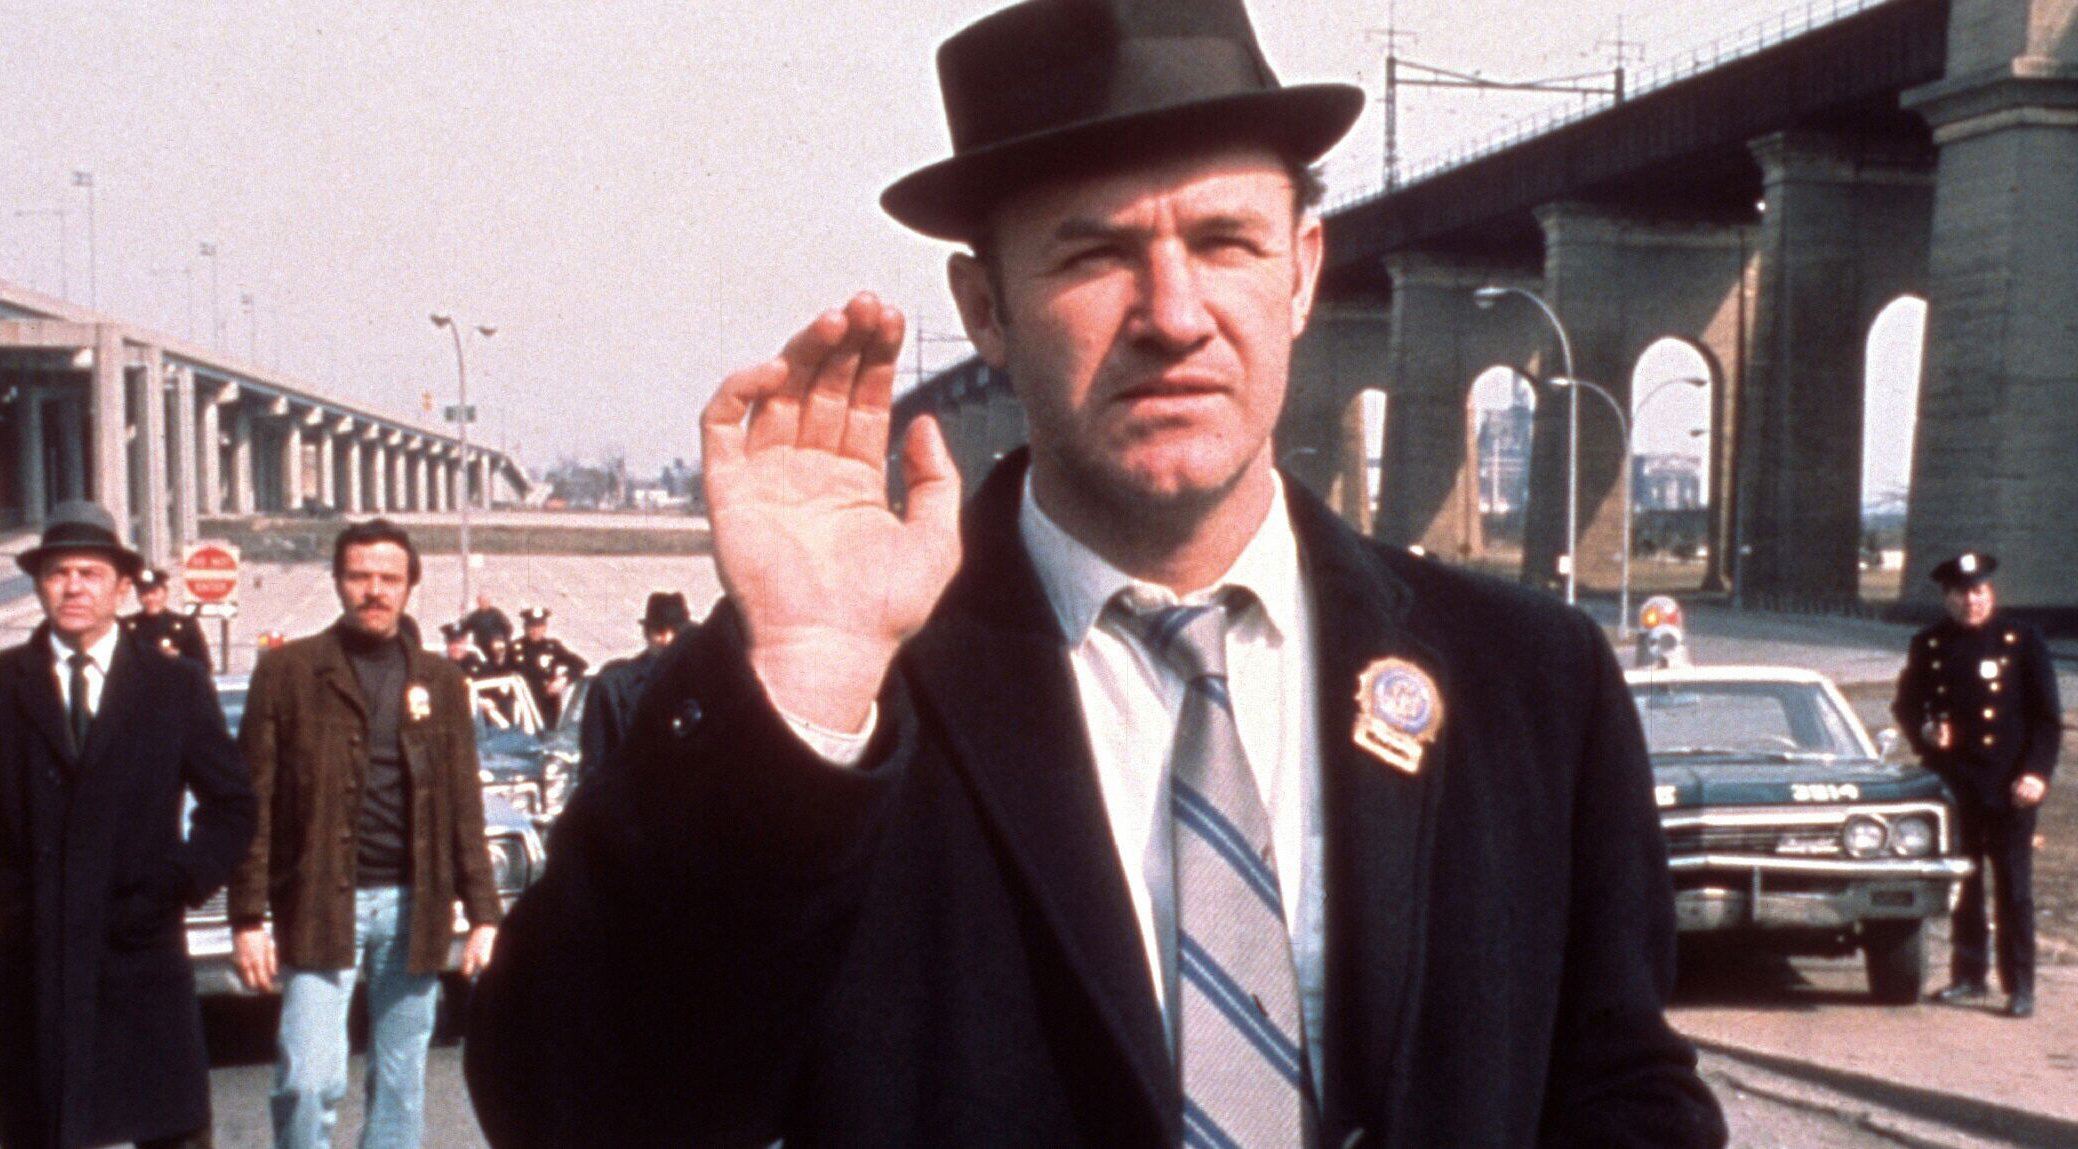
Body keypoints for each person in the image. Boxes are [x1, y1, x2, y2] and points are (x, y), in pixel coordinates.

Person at [465, 2, 1726, 1145]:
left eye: (1224, 241)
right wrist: (802, 696)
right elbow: (576, 1111)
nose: (1171, 314)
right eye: (1092, 256)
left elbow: (1617, 1087)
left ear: (1299, 272)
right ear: (986, 309)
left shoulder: (1527, 682)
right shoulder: (839, 701)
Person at [228, 519, 504, 1149]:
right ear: (337, 581)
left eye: (389, 578)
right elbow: (254, 803)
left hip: (416, 907)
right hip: (321, 903)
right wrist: (247, 917)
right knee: (307, 1080)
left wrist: (485, 914)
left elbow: (463, 803)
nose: (374, 591)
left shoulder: (441, 681)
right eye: (359, 576)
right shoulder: (289, 672)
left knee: (401, 1087)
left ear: (409, 586)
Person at [0, 501, 256, 1149]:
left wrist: (179, 881)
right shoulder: (6, 683)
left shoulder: (174, 684)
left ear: (122, 587)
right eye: (58, 573)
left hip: (137, 948)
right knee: (38, 1124)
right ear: (39, 585)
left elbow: (233, 804)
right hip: (30, 956)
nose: (74, 587)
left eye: (90, 572)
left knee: (166, 1125)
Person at [1892, 551, 2061, 1019]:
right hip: (1956, 786)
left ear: (1991, 593)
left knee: (2014, 889)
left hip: (2010, 786)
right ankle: (1969, 975)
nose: (1972, 602)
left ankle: (2020, 985)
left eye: (1979, 592)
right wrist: (1926, 730)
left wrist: (2037, 773)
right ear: (1947, 598)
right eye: (1962, 594)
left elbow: (2047, 718)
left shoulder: (2021, 639)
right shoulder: (1930, 644)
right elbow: (1906, 704)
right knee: (1964, 886)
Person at [577, 591, 694, 782]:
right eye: (659, 631)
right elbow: (595, 763)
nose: (667, 640)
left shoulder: (700, 683)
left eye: (675, 632)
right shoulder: (614, 685)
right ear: (647, 633)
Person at [122, 566, 213, 668]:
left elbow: (204, 667)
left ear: (165, 593)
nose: (150, 598)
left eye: (154, 592)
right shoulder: (126, 626)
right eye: (144, 593)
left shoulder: (186, 625)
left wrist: (178, 657)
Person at [511, 608, 586, 729]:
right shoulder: (514, 648)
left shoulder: (552, 647)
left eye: (539, 626)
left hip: (547, 704)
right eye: (531, 626)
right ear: (525, 627)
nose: (535, 630)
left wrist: (564, 679)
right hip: (523, 704)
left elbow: (580, 664)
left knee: (550, 735)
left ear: (545, 627)